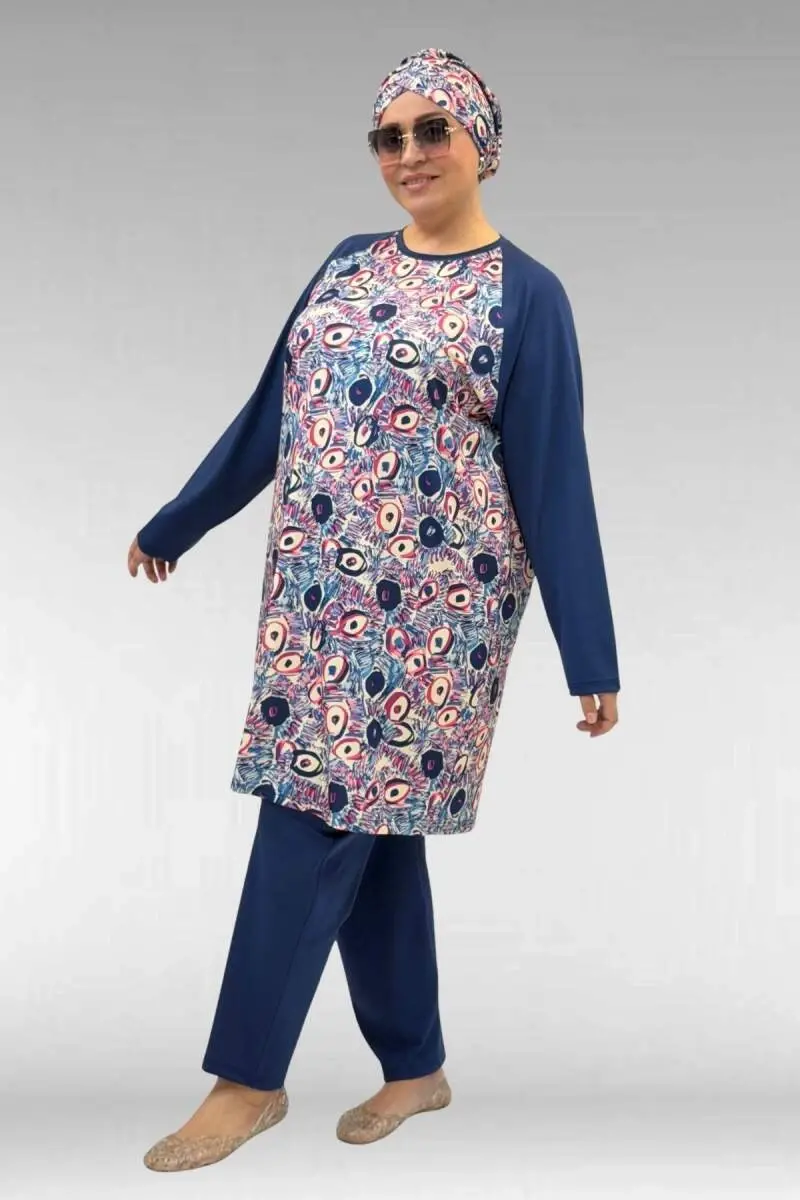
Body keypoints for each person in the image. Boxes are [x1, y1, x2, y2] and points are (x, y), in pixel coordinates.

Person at [130, 47, 620, 1172]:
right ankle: (414, 1064)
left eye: (431, 130)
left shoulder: (525, 296)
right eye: (388, 137)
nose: (408, 154)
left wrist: (588, 652)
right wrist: (179, 521)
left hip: (433, 622)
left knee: (311, 813)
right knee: (372, 825)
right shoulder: (345, 265)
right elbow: (272, 413)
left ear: (480, 142)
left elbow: (555, 478)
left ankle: (245, 1081)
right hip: (314, 603)